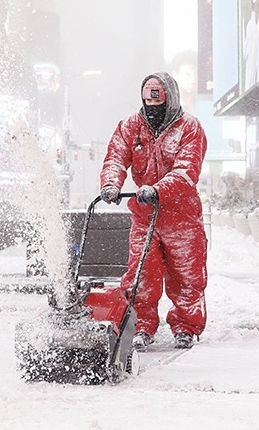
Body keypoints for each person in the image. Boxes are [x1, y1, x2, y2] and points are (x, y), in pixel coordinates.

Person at [99, 72, 208, 350]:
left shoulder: (189, 128)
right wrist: (111, 184)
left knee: (186, 275)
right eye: (149, 104)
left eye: (158, 106)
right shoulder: (131, 126)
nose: (153, 111)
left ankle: (185, 326)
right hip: (145, 214)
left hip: (181, 215)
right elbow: (116, 157)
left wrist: (158, 190)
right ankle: (142, 325)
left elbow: (186, 171)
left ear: (169, 101)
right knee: (140, 275)